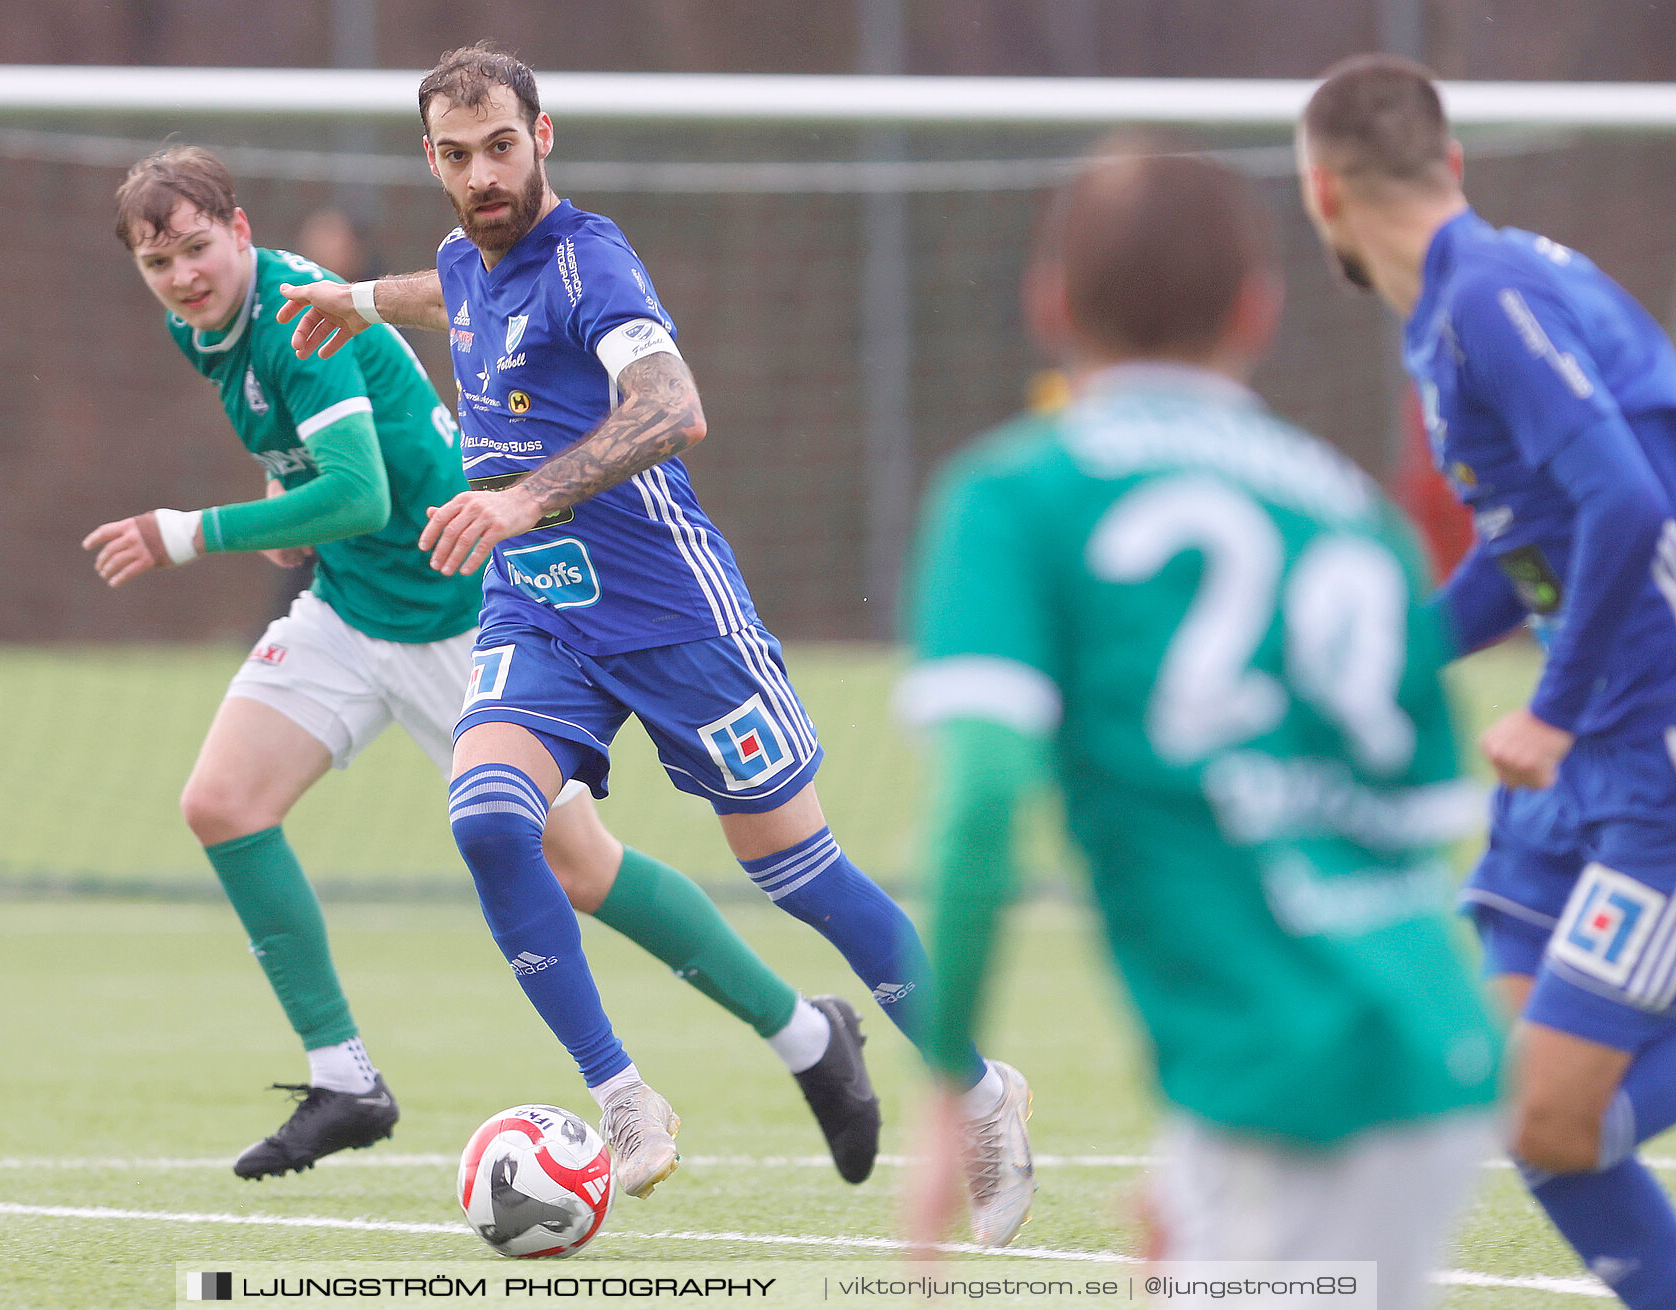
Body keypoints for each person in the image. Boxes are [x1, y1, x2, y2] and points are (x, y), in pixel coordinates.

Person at [274, 42, 1035, 1235]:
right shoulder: (464, 260)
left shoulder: (591, 258)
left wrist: (526, 495)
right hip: (540, 612)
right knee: (486, 817)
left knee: (798, 873)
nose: (484, 176)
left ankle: (981, 1090)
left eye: (503, 148)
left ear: (545, 137)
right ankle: (623, 1098)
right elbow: (451, 289)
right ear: (432, 158)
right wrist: (356, 299)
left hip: (674, 614)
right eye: (458, 156)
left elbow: (675, 405)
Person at [83, 145, 880, 1188]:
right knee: (223, 801)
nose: (184, 276)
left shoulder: (285, 308)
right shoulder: (204, 325)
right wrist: (289, 513)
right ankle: (346, 1080)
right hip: (353, 606)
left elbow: (361, 494)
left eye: (198, 248)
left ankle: (807, 1035)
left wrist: (189, 530)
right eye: (160, 264)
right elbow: (318, 466)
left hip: (459, 605)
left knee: (580, 866)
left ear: (240, 231)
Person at [899, 143, 1501, 1297]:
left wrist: (945, 1088)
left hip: (1289, 1097)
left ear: (1051, 304)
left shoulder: (1017, 494)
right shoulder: (1357, 513)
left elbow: (980, 798)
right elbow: (1399, 824)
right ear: (1259, 310)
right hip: (1428, 1048)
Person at [1300, 54, 1676, 1306]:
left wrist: (1552, 708)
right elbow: (1537, 558)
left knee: (1552, 1116)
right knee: (1513, 1108)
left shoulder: (1489, 296)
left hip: (1648, 756)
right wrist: (1371, 669)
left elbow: (1628, 499)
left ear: (1323, 194)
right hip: (1585, 768)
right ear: (1447, 163)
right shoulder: (1453, 312)